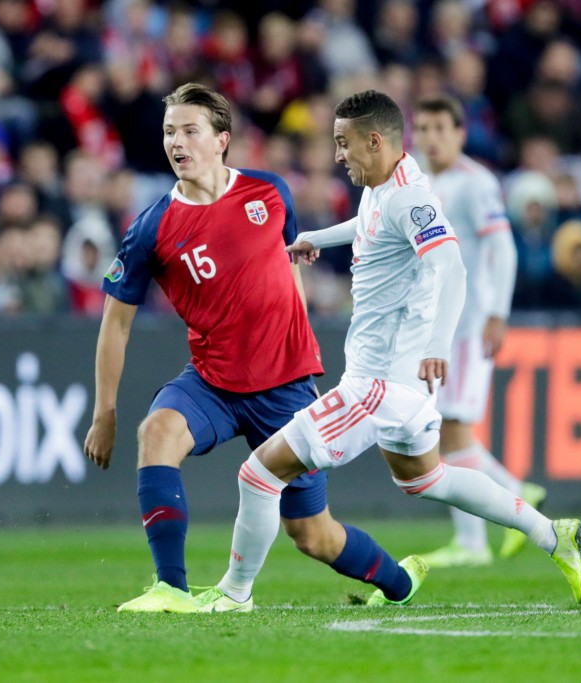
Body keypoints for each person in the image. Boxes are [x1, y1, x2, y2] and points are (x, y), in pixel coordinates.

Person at [193, 90, 581, 613]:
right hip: (402, 387)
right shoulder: (383, 186)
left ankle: (234, 594)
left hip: (378, 384)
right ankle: (553, 534)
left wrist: (437, 345)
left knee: (259, 473)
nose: (337, 155)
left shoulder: (411, 197)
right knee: (428, 478)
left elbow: (451, 263)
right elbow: (372, 226)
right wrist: (320, 236)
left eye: (344, 143)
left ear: (375, 141)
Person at [84, 82, 421, 613]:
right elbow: (115, 325)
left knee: (314, 535)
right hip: (213, 381)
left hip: (285, 387)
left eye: (190, 130)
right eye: (170, 131)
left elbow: (288, 268)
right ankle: (170, 588)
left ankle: (401, 583)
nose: (177, 142)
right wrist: (105, 411)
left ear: (221, 139)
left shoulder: (269, 192)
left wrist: (302, 346)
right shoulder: (151, 228)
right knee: (157, 433)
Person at [411, 94, 547, 568]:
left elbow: (503, 249)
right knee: (442, 430)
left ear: (459, 133)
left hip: (468, 324)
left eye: (439, 129)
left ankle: (493, 519)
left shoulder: (476, 183)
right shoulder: (416, 180)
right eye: (422, 129)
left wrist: (497, 312)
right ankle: (481, 529)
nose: (430, 138)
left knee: (452, 428)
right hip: (434, 325)